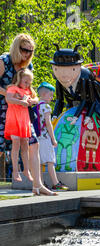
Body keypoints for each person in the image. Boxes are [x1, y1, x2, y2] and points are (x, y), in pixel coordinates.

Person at [0, 34, 55, 195]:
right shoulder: (4, 61)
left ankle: (38, 185)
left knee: (34, 144)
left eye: (30, 51)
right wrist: (9, 94)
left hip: (23, 112)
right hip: (4, 110)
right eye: (24, 50)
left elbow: (31, 90)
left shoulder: (27, 67)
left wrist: (31, 99)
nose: (27, 54)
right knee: (1, 147)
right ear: (17, 47)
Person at [4, 68, 37, 182]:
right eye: (25, 82)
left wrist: (31, 101)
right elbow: (8, 99)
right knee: (16, 143)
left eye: (29, 82)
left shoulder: (28, 91)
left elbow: (36, 99)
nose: (27, 84)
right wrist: (22, 102)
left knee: (25, 144)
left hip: (24, 120)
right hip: (14, 119)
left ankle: (26, 170)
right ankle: (15, 170)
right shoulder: (13, 88)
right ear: (19, 79)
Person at [34, 82, 69, 191]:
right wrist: (53, 139)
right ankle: (56, 183)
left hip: (37, 138)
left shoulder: (36, 106)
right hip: (45, 138)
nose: (52, 97)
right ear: (44, 94)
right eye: (50, 94)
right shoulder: (46, 107)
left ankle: (40, 183)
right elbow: (48, 124)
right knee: (50, 161)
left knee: (38, 162)